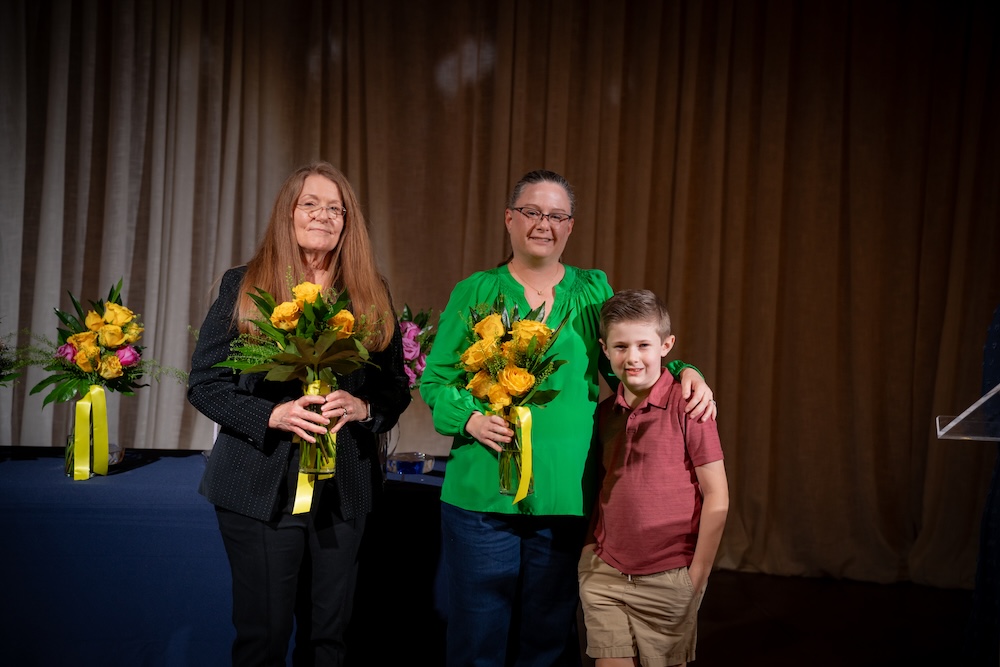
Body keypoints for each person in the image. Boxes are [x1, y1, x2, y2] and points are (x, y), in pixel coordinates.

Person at [418, 169, 718, 666]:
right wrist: (469, 418)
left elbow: (631, 357)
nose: (544, 224)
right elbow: (435, 380)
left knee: (547, 640)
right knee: (477, 642)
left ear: (570, 227)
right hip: (480, 495)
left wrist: (687, 371)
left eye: (556, 215)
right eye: (532, 212)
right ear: (510, 219)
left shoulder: (591, 292)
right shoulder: (475, 291)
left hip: (565, 497)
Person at [187, 161, 412, 666]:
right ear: (287, 213)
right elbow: (206, 385)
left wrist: (365, 406)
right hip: (259, 484)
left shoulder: (369, 290)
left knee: (329, 643)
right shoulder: (244, 284)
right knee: (262, 639)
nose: (323, 215)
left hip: (344, 489)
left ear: (348, 223)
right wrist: (274, 415)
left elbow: (396, 387)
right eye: (310, 204)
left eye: (336, 208)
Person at [578, 290, 729, 667]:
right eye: (620, 346)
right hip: (604, 573)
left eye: (644, 345)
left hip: (669, 578)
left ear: (666, 346)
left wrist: (697, 577)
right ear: (604, 349)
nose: (632, 357)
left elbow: (718, 497)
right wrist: (588, 554)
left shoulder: (690, 405)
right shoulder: (603, 415)